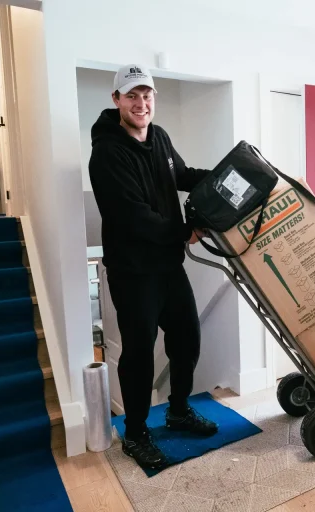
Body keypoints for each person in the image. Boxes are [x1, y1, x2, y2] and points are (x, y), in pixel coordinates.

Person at [88, 65, 218, 470]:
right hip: (133, 272)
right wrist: (183, 231)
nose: (141, 103)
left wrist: (223, 176)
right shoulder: (107, 153)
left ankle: (178, 410)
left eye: (147, 95)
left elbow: (180, 174)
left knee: (187, 340)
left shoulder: (159, 136)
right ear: (116, 100)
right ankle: (137, 431)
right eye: (132, 96)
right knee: (140, 355)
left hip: (167, 266)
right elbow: (133, 217)